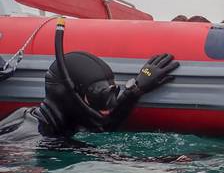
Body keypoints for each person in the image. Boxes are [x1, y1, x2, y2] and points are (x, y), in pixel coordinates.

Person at [0, 22, 179, 146]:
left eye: (113, 92)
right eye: (99, 95)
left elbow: (101, 124)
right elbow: (121, 165)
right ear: (70, 95)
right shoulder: (44, 141)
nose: (109, 106)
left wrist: (136, 89)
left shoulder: (27, 114)